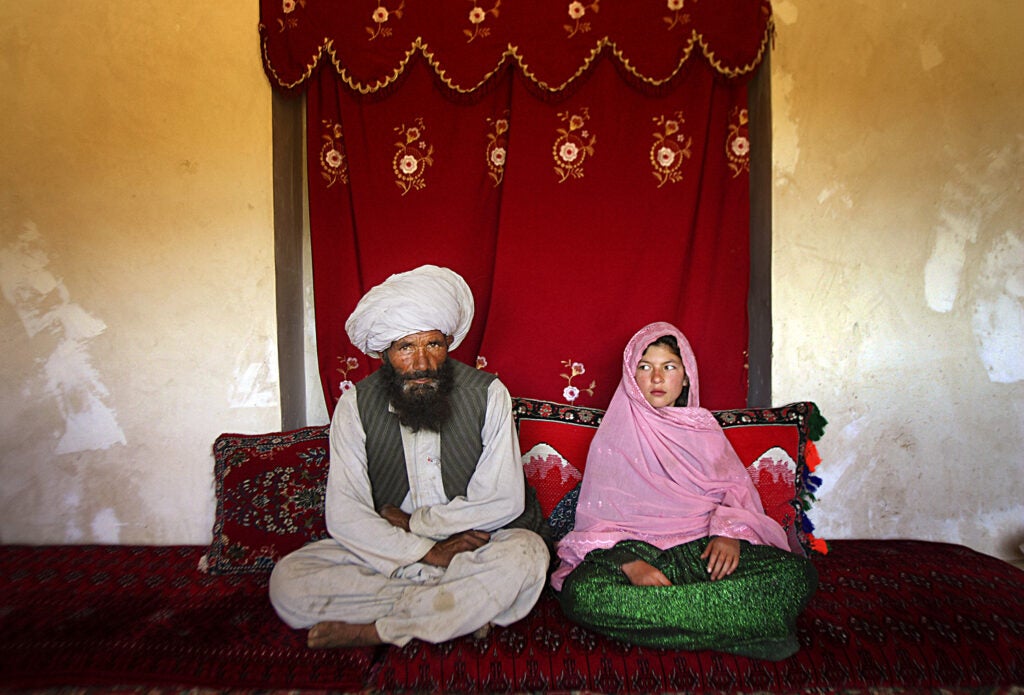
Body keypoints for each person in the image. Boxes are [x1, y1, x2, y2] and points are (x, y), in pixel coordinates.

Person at [269, 265, 550, 648]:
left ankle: (382, 629)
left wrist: (416, 523)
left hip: (473, 546)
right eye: (406, 347)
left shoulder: (488, 393)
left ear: (448, 344)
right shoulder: (355, 405)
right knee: (290, 580)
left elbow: (502, 500)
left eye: (432, 345)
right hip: (393, 551)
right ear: (385, 353)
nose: (421, 364)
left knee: (526, 555)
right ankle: (457, 609)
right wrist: (427, 553)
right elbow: (345, 513)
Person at [551, 321, 817, 661]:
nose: (657, 378)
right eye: (644, 367)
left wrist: (729, 533)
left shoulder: (703, 429)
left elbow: (735, 492)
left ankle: (699, 620)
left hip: (703, 549)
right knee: (582, 594)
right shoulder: (613, 435)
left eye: (669, 367)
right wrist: (629, 563)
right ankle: (749, 625)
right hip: (636, 552)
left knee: (796, 575)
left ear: (686, 375)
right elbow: (598, 524)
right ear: (632, 378)